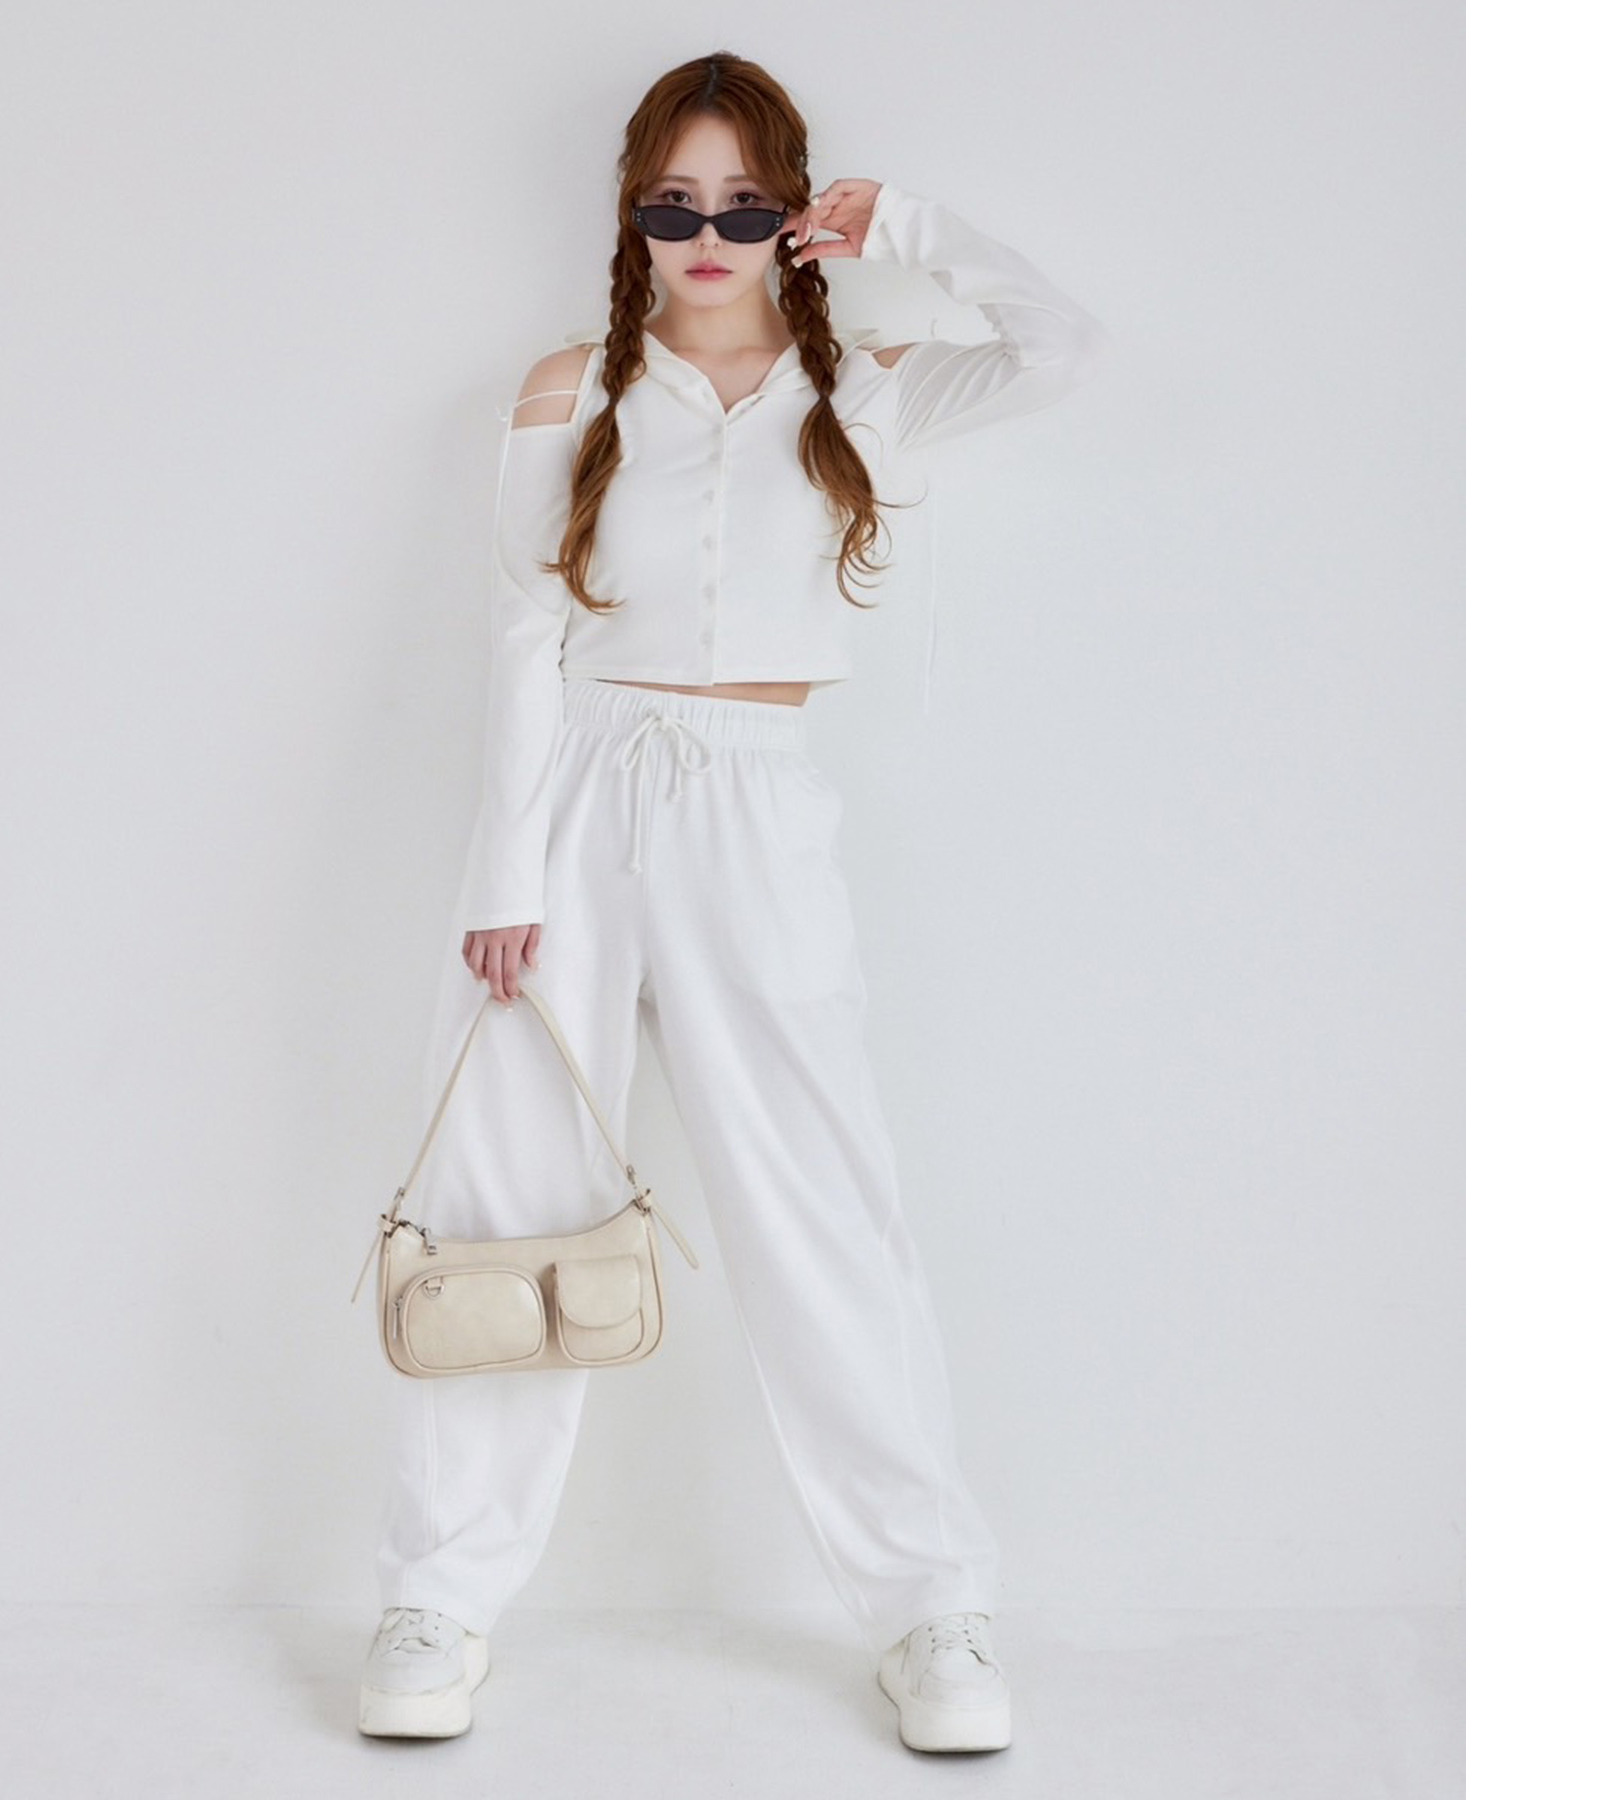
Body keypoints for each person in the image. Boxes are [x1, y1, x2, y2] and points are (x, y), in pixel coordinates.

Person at [358, 50, 1111, 1754]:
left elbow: (1061, 348)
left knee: (821, 1206)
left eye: (747, 204)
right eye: (674, 205)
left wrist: (905, 224)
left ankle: (929, 1603)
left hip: (756, 812)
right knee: (504, 1202)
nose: (709, 235)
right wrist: (504, 874)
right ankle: (441, 1594)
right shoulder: (571, 388)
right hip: (571, 806)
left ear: (793, 216)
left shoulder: (865, 393)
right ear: (631, 215)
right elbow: (525, 632)